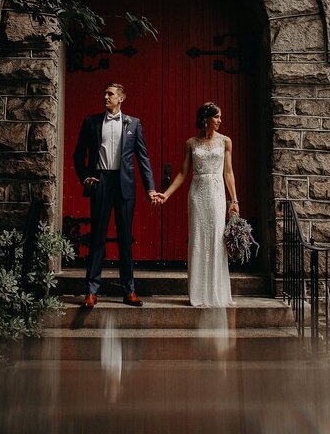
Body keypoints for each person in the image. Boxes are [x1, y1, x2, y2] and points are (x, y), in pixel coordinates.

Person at [73, 83, 157, 308]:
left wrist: (150, 188)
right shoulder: (91, 122)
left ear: (121, 98)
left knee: (125, 240)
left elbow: (143, 158)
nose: (105, 96)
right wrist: (85, 178)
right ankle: (91, 291)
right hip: (100, 182)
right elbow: (78, 155)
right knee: (97, 238)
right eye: (104, 93)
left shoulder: (134, 123)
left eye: (110, 94)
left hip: (124, 185)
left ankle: (129, 291)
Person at [156, 102, 239, 307]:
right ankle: (198, 293)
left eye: (220, 117)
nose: (220, 120)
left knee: (217, 239)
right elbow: (183, 173)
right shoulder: (191, 143)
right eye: (216, 117)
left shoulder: (226, 141)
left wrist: (234, 200)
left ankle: (216, 292)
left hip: (217, 191)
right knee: (198, 238)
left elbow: (228, 172)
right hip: (197, 192)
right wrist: (166, 195)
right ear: (206, 118)